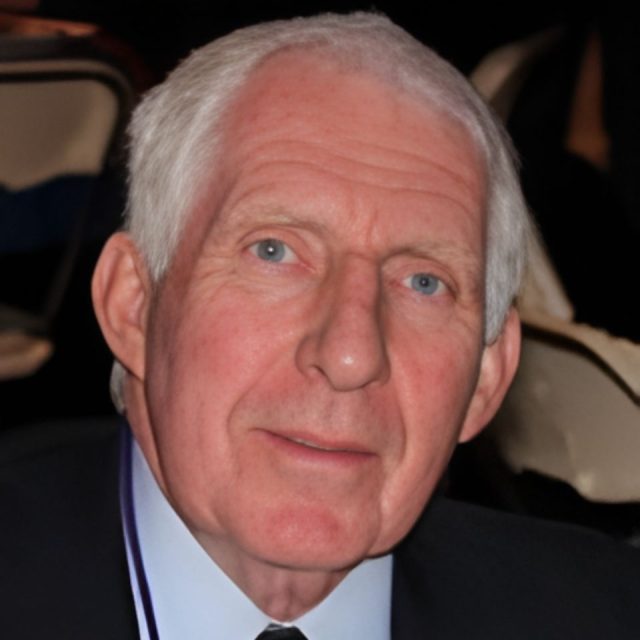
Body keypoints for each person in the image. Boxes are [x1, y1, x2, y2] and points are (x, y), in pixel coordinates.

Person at [1, 12, 639, 640]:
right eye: (274, 251)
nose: (351, 354)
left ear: (487, 376)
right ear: (132, 304)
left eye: (423, 282)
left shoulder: (605, 612)